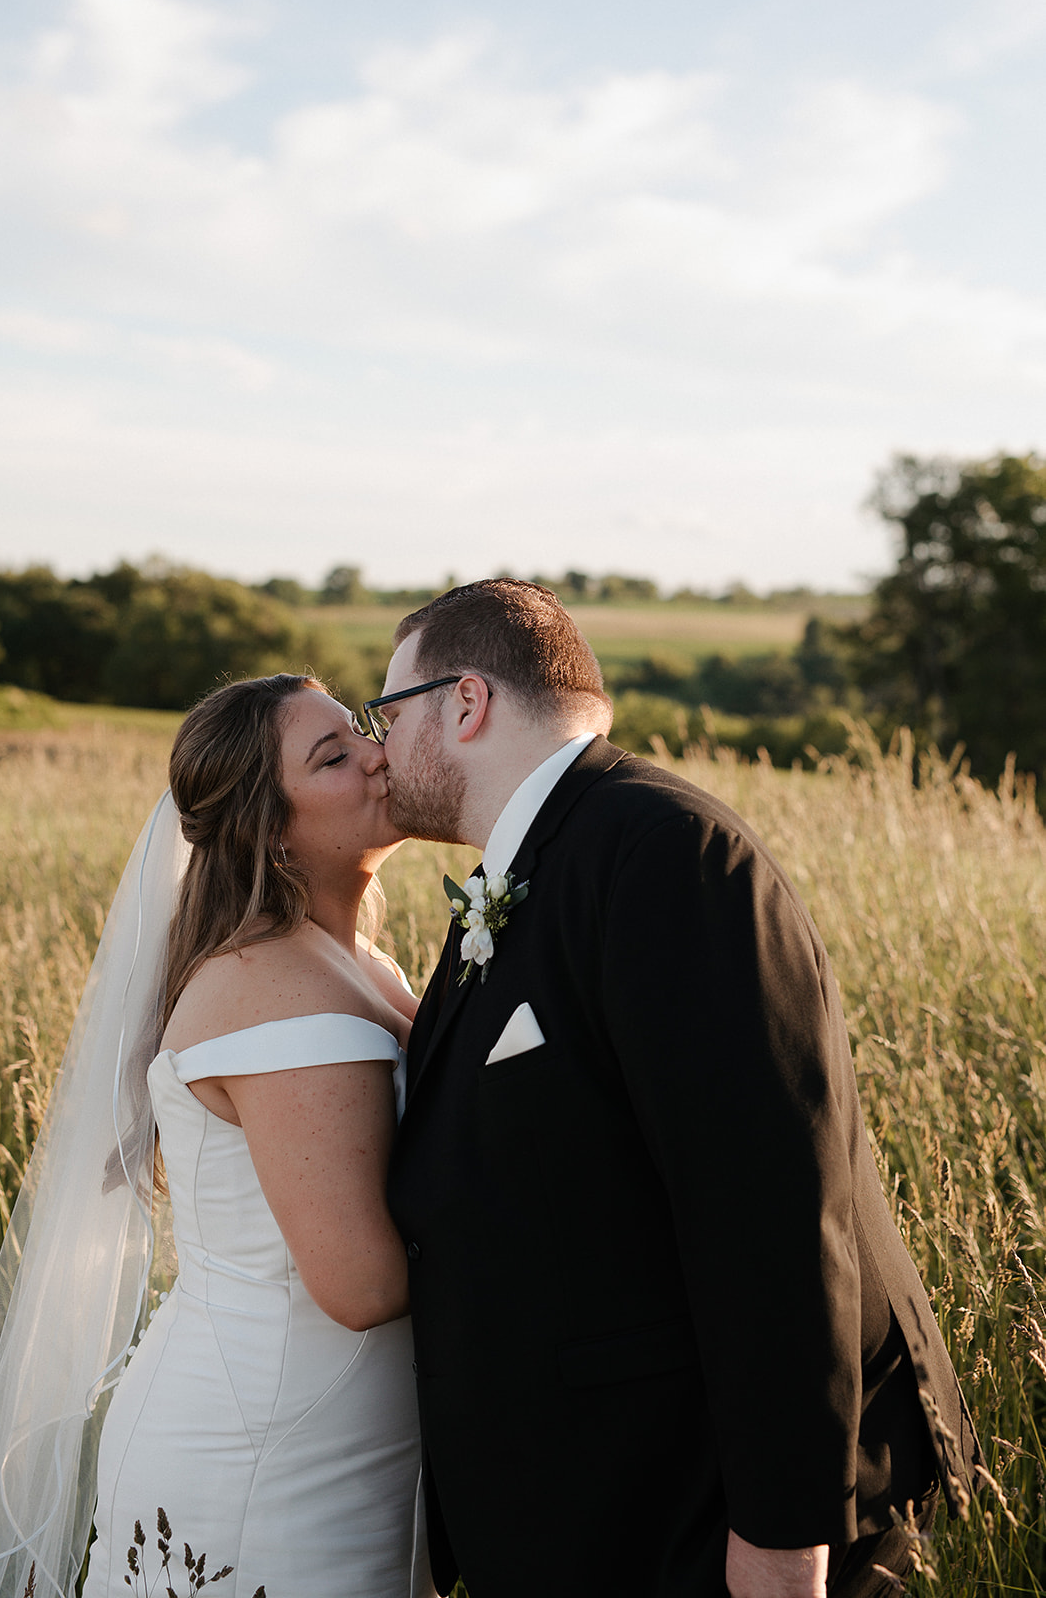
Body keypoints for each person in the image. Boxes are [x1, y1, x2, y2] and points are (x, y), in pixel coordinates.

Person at [369, 580, 982, 1598]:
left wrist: (782, 1536)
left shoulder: (662, 852)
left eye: (388, 713)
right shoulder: (531, 868)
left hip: (700, 1512)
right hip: (605, 1496)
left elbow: (771, 1209)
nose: (379, 747)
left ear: (463, 702)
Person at [0, 673, 435, 1598]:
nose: (377, 755)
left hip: (335, 1428)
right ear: (270, 826)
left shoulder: (355, 960)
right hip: (269, 1450)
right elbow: (361, 1284)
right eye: (334, 755)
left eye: (360, 733)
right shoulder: (273, 983)